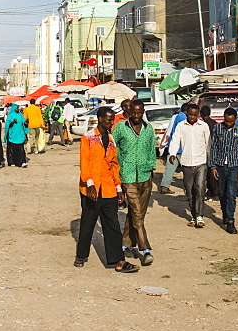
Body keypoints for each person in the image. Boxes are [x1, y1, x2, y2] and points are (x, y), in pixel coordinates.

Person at [74, 106, 140, 273]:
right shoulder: (88, 138)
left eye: (112, 119)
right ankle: (81, 255)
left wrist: (118, 187)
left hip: (108, 189)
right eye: (109, 119)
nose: (112, 123)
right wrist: (89, 185)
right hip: (91, 189)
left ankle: (118, 261)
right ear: (101, 119)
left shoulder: (111, 140)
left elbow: (114, 165)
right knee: (88, 223)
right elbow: (85, 163)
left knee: (112, 226)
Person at [113, 100, 157, 266]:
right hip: (128, 177)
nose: (137, 116)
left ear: (143, 111)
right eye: (134, 113)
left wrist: (151, 167)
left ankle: (125, 244)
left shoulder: (148, 129)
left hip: (145, 175)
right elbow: (113, 149)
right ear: (128, 112)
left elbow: (152, 149)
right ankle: (146, 250)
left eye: (140, 112)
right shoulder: (120, 128)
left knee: (136, 214)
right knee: (137, 213)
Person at [168, 104, 211, 228]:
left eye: (195, 115)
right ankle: (193, 215)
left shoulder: (204, 126)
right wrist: (172, 153)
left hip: (201, 162)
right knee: (189, 190)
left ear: (198, 115)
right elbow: (175, 140)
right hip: (186, 163)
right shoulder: (181, 126)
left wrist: (210, 161)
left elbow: (208, 143)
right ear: (186, 113)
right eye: (190, 114)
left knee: (200, 187)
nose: (192, 117)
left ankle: (200, 216)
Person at [209, 108, 238, 234]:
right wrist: (212, 166)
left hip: (234, 165)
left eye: (231, 121)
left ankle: (230, 221)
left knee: (231, 194)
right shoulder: (218, 128)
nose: (228, 123)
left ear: (235, 119)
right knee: (222, 193)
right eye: (226, 121)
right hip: (220, 165)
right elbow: (213, 147)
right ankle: (225, 213)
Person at [158, 102, 188, 194]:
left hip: (173, 147)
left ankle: (164, 186)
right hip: (180, 148)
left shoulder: (176, 116)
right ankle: (188, 189)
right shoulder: (183, 118)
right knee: (188, 170)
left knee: (170, 169)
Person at [199, 105, 218, 201]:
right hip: (216, 150)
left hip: (207, 150)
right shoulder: (215, 123)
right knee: (214, 171)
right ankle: (214, 191)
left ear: (201, 114)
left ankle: (213, 192)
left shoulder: (202, 125)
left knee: (209, 173)